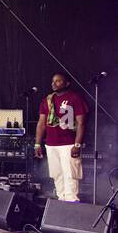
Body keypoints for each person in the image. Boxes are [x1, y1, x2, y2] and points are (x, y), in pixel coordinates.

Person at [35, 72, 89, 202]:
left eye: (58, 81)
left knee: (70, 175)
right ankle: (61, 201)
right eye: (53, 81)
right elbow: (41, 123)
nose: (54, 83)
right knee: (57, 175)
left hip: (69, 144)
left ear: (67, 83)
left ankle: (71, 203)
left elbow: (81, 123)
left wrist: (77, 145)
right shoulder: (47, 100)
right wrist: (37, 144)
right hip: (51, 144)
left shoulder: (75, 98)